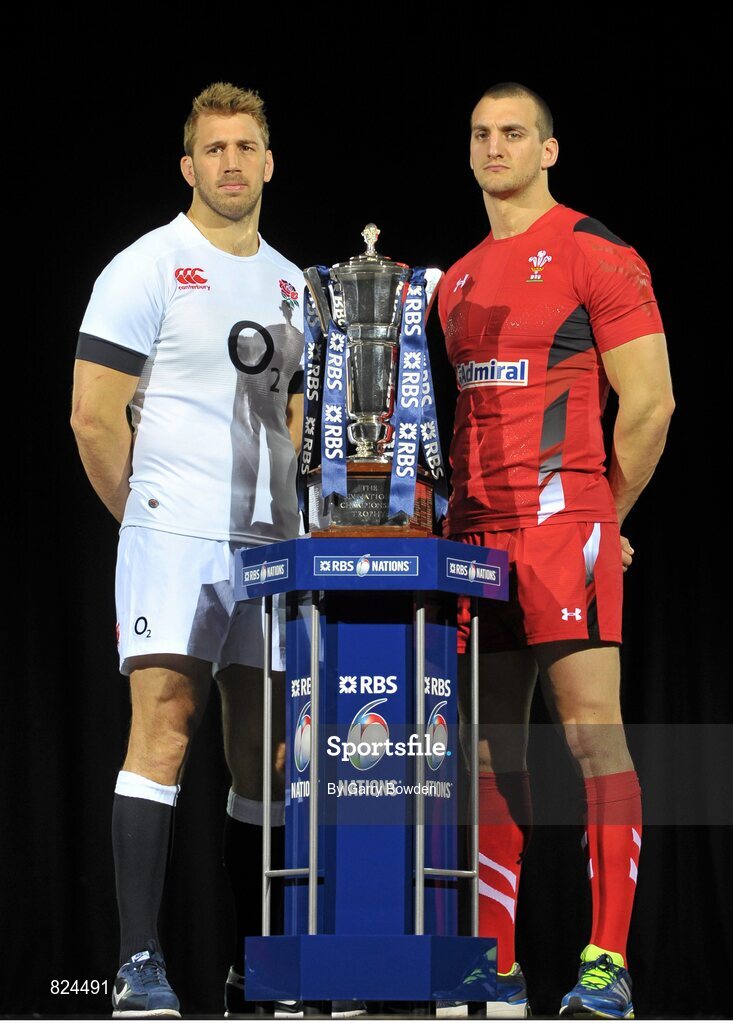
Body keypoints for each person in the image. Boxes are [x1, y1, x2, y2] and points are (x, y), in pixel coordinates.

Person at [70, 82, 360, 1020]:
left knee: (265, 754)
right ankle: (138, 963)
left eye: (246, 147)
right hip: (172, 532)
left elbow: (299, 420)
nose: (231, 163)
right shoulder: (145, 265)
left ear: (269, 163)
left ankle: (253, 966)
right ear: (188, 166)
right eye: (214, 149)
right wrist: (146, 519)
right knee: (164, 728)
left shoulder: (295, 283)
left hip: (275, 542)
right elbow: (90, 416)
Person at [437, 83, 674, 1019]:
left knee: (590, 735)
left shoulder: (593, 251)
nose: (494, 147)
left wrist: (603, 513)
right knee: (488, 750)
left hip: (561, 520)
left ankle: (605, 962)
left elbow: (650, 404)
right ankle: (493, 964)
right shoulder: (450, 282)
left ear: (548, 151)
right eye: (480, 134)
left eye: (512, 134)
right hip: (470, 535)